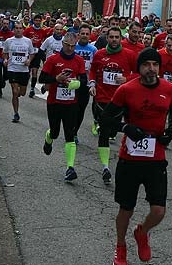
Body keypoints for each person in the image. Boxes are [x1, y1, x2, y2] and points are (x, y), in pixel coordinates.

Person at [100, 48, 172, 265]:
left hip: (156, 158)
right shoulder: (126, 90)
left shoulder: (169, 89)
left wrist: (170, 131)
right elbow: (106, 119)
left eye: (155, 64)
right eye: (147, 64)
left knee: (158, 211)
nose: (151, 68)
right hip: (130, 158)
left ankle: (142, 232)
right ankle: (120, 246)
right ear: (139, 67)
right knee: (126, 208)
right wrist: (126, 127)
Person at [88, 26, 138, 184]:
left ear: (120, 38)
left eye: (117, 37)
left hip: (122, 98)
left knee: (116, 129)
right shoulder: (100, 54)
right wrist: (92, 84)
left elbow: (138, 73)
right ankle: (105, 167)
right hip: (103, 98)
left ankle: (131, 161)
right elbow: (92, 71)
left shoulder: (129, 55)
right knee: (105, 131)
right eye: (111, 37)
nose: (114, 40)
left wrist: (127, 79)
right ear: (107, 38)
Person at [38, 32, 87, 182]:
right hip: (54, 102)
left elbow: (84, 80)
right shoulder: (53, 59)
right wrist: (56, 79)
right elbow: (42, 78)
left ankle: (70, 168)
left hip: (71, 104)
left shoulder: (79, 60)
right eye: (67, 45)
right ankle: (48, 138)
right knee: (55, 132)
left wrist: (76, 84)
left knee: (69, 134)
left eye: (73, 46)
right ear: (63, 44)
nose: (70, 49)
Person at [1, 25, 34, 123]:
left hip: (24, 70)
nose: (18, 30)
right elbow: (4, 52)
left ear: (23, 30)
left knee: (22, 93)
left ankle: (19, 93)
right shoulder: (9, 41)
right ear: (14, 30)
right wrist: (5, 59)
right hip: (12, 69)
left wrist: (29, 60)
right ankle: (16, 113)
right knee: (15, 92)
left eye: (20, 28)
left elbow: (32, 53)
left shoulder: (28, 41)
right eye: (17, 28)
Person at [72, 23, 98, 134]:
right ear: (78, 34)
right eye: (82, 33)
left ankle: (75, 132)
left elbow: (96, 67)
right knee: (71, 109)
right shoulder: (72, 46)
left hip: (85, 84)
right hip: (71, 83)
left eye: (87, 34)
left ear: (90, 35)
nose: (85, 35)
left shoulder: (93, 49)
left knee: (81, 110)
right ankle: (70, 129)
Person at [23, 14, 53, 98]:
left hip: (37, 53)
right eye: (36, 20)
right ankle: (25, 84)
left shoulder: (43, 31)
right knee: (27, 71)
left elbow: (45, 40)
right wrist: (30, 41)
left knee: (35, 71)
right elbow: (23, 39)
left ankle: (32, 89)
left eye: (39, 21)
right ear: (33, 21)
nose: (38, 22)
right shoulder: (28, 29)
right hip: (28, 52)